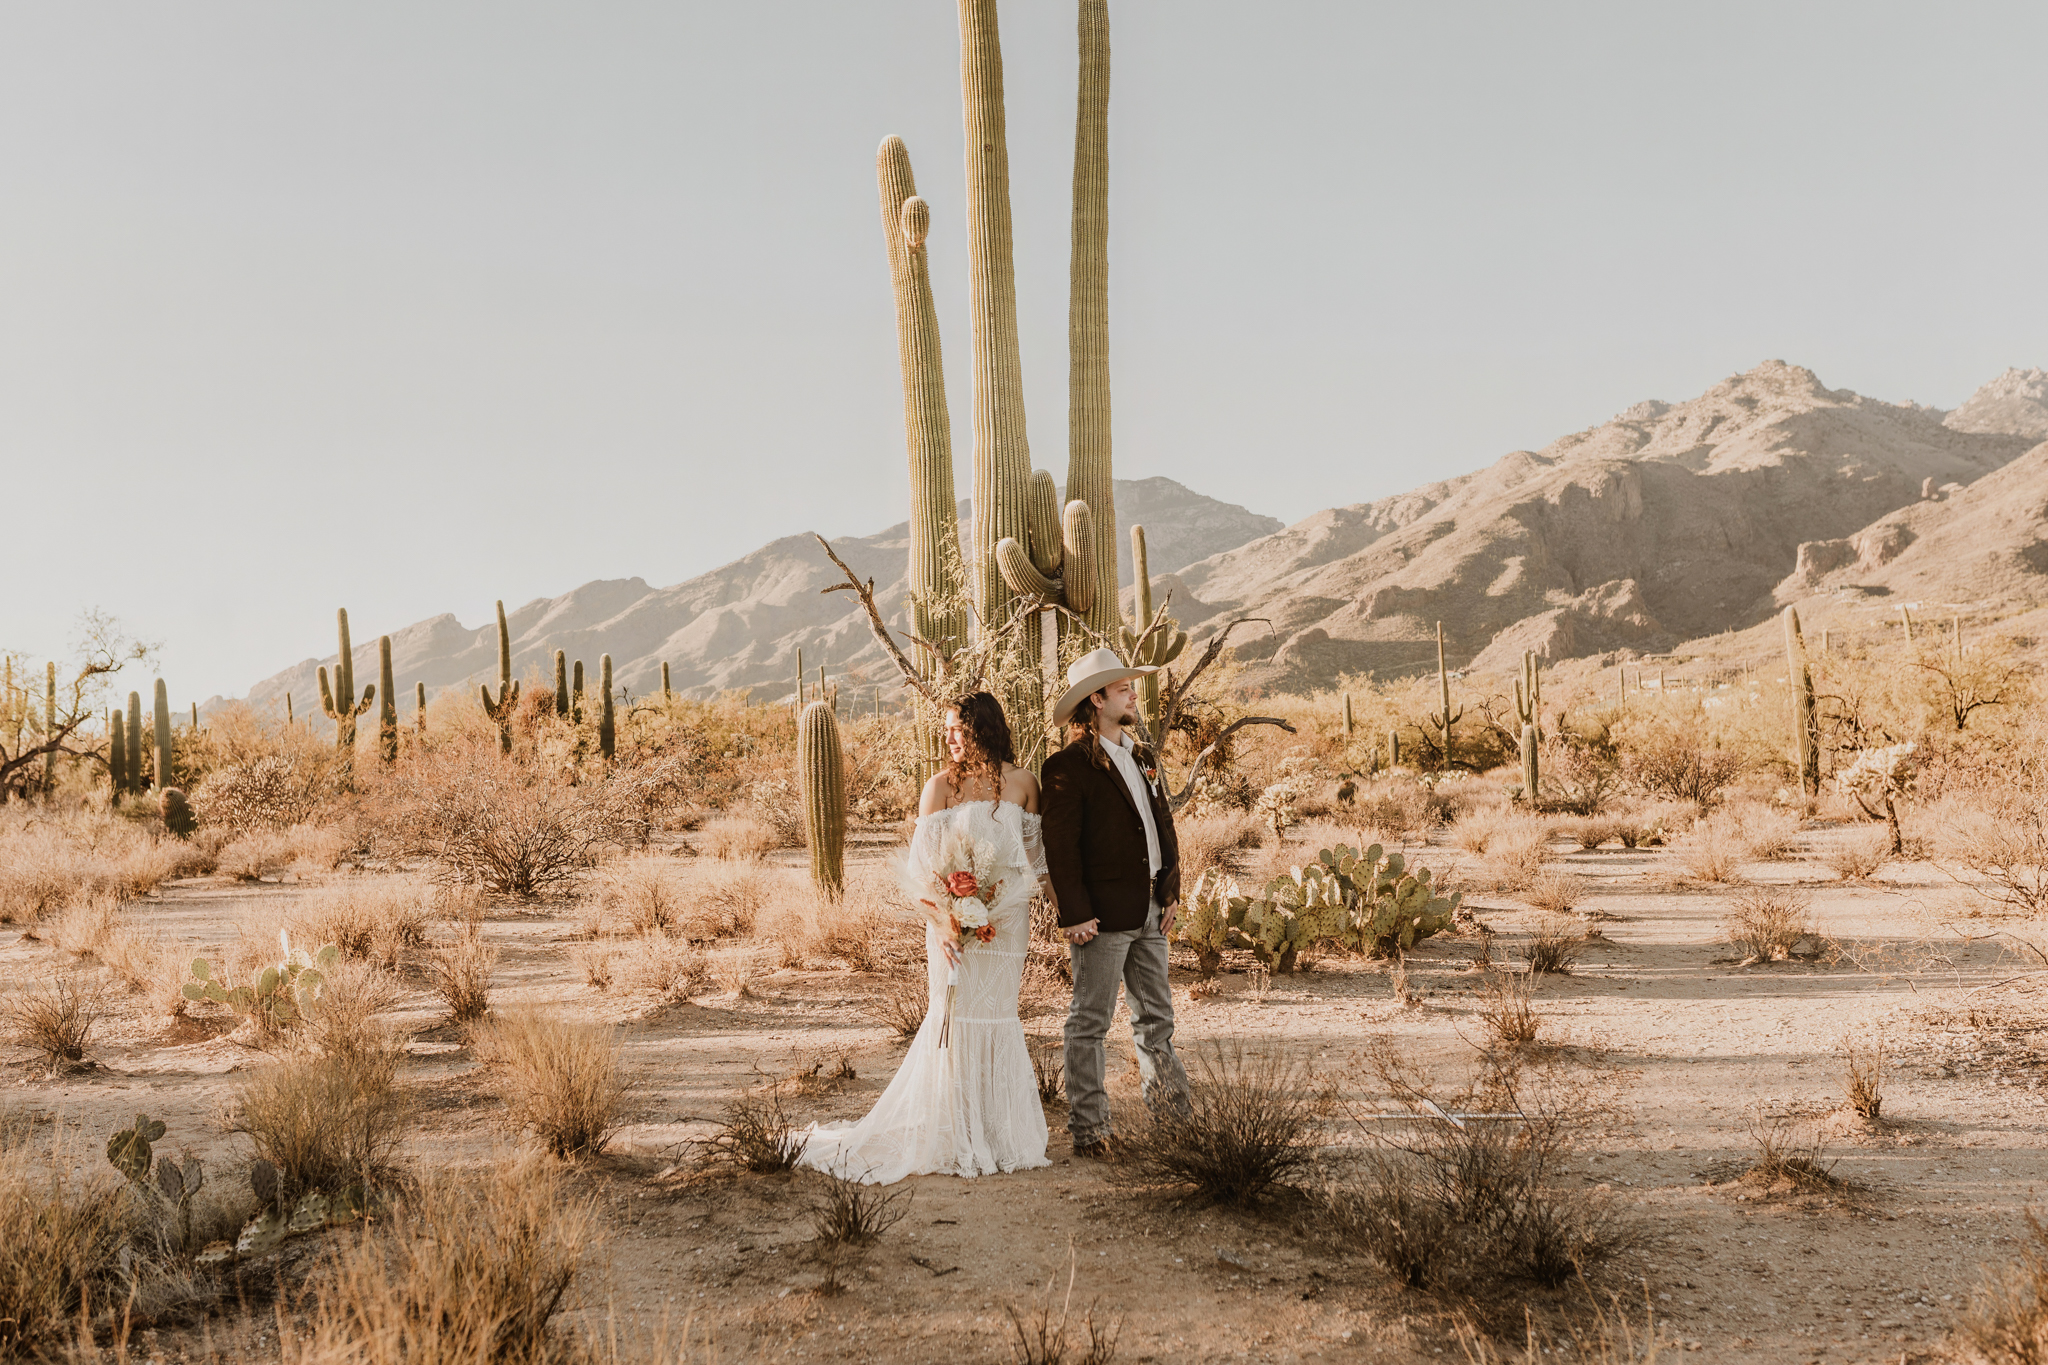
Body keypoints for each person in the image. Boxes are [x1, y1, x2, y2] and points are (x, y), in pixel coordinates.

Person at [794, 691, 1053, 1184]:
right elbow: (922, 873)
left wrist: (1064, 913)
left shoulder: (1023, 784)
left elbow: (1036, 862)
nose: (948, 738)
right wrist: (945, 923)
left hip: (1005, 928)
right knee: (953, 1020)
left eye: (958, 728)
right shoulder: (938, 789)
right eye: (946, 729)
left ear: (984, 728)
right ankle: (958, 1131)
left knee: (997, 1015)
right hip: (950, 930)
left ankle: (1000, 1133)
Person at [1040, 647, 1192, 1160]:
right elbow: (1060, 846)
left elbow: (1161, 826)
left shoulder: (1142, 755)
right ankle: (1090, 1132)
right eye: (1123, 687)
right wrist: (1075, 912)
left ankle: (1174, 1123)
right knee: (1090, 1021)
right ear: (1097, 698)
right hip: (1101, 916)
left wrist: (1170, 889)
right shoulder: (1066, 766)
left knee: (1157, 1021)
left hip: (1151, 908)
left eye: (1130, 686)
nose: (1133, 693)